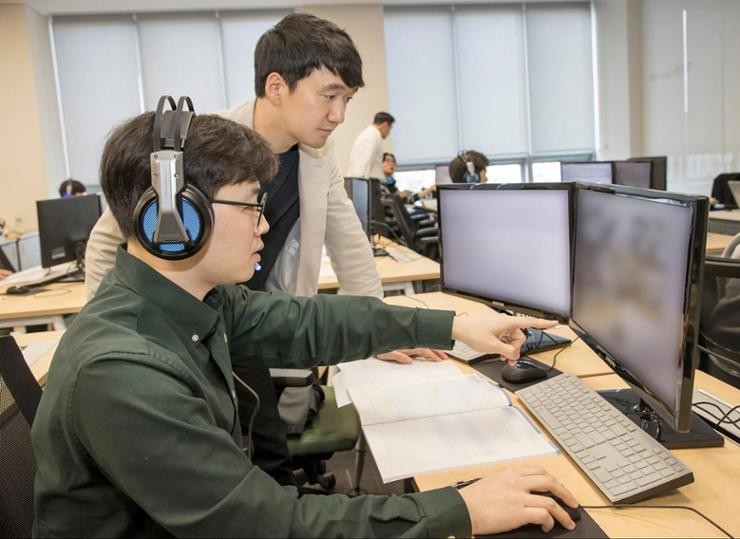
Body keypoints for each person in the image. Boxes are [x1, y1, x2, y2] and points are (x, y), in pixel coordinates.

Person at [31, 110, 578, 538]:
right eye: (251, 205)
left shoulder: (193, 303)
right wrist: (460, 508)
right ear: (176, 218)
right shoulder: (122, 370)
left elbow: (308, 322)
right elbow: (262, 527)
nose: (265, 224)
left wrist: (451, 325)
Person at [82, 13, 445, 487]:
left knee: (264, 459)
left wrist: (380, 329)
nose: (339, 115)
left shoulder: (318, 157)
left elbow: (350, 240)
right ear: (276, 87)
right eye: (329, 96)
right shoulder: (203, 147)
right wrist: (113, 328)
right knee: (227, 468)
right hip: (188, 321)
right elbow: (110, 235)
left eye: (347, 100)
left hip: (250, 318)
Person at [347, 111, 395, 180]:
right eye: (390, 128)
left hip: (367, 182)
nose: (389, 132)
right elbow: (364, 165)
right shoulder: (371, 137)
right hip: (364, 183)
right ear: (385, 124)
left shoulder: (372, 135)